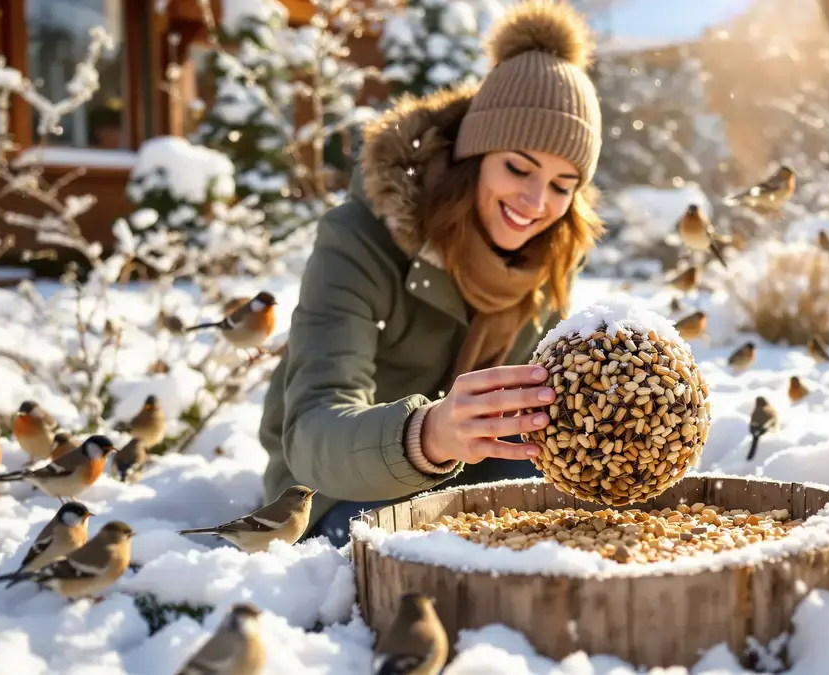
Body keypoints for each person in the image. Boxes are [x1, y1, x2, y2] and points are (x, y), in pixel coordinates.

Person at [258, 0, 605, 547]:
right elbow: (310, 429)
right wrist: (427, 434)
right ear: (475, 154)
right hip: (332, 496)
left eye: (563, 185)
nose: (536, 202)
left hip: (477, 476)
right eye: (519, 167)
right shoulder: (359, 240)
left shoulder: (547, 259)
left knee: (579, 524)